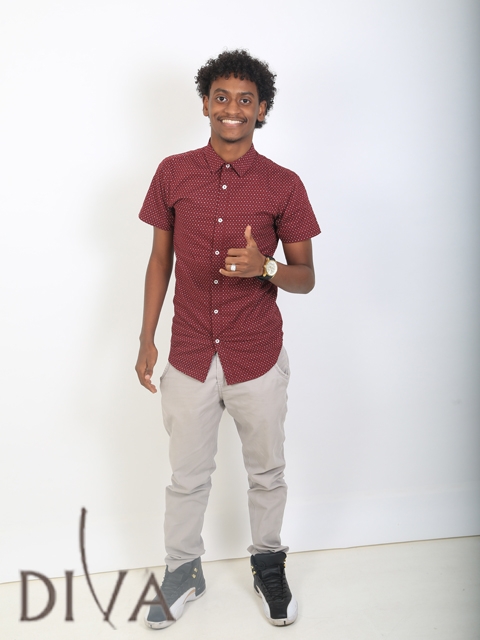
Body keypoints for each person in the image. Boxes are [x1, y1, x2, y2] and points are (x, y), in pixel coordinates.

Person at [135, 49, 320, 630]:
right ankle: (183, 570)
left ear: (261, 109)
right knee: (186, 478)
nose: (232, 109)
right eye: (221, 97)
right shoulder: (173, 172)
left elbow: (306, 277)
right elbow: (159, 259)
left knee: (267, 472)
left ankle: (268, 564)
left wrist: (265, 267)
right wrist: (146, 338)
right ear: (206, 104)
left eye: (245, 100)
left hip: (255, 354)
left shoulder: (284, 185)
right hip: (189, 352)